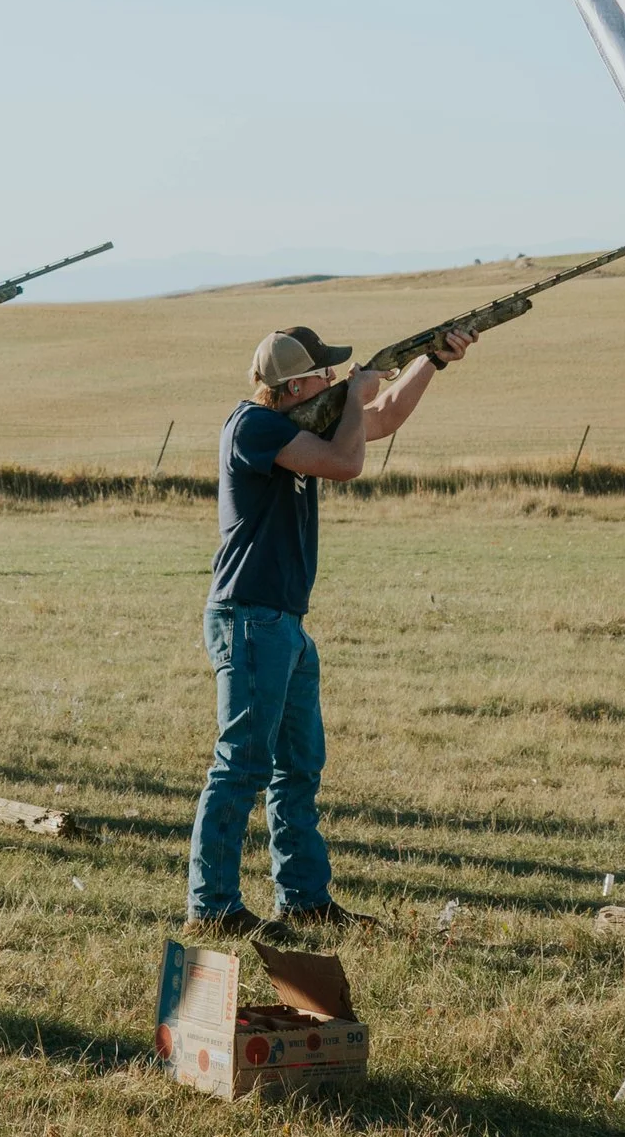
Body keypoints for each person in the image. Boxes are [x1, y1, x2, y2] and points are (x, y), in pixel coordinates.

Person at [187, 318, 474, 938]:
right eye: (327, 374)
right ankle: (212, 907)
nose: (338, 378)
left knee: (298, 767)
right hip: (250, 617)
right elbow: (347, 461)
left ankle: (305, 899)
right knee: (240, 766)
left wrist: (434, 360)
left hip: (282, 622)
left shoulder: (293, 420)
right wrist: (355, 396)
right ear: (297, 386)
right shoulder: (253, 426)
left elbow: (384, 419)